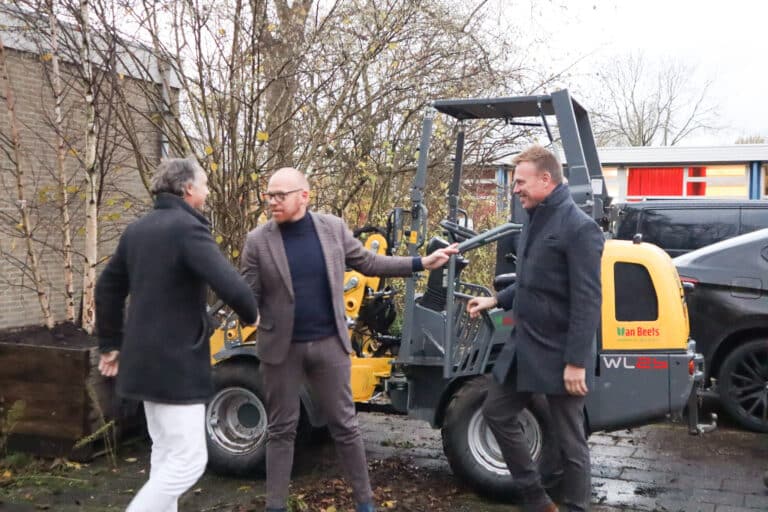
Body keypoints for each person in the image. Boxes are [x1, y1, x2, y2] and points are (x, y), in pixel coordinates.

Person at [241, 167, 458, 512]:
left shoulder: (331, 229)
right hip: (281, 350)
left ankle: (365, 503)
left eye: (280, 195)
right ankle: (276, 506)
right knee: (281, 430)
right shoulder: (257, 241)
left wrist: (420, 263)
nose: (272, 202)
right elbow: (246, 294)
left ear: (304, 196)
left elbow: (369, 262)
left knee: (345, 425)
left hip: (329, 345)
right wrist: (240, 309)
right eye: (269, 196)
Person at [95, 157, 258, 512]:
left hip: (142, 363)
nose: (207, 191)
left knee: (166, 453)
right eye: (204, 184)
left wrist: (110, 345)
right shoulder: (187, 229)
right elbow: (229, 282)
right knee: (188, 461)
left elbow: (106, 288)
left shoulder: (137, 230)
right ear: (187, 189)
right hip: (175, 367)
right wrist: (252, 313)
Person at [466, 145, 604, 512]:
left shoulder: (580, 228)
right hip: (524, 346)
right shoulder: (534, 219)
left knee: (570, 440)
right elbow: (531, 280)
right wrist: (495, 300)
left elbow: (588, 301)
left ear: (546, 179)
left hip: (561, 354)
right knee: (495, 411)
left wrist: (576, 362)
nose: (516, 189)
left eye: (520, 182)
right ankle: (536, 499)